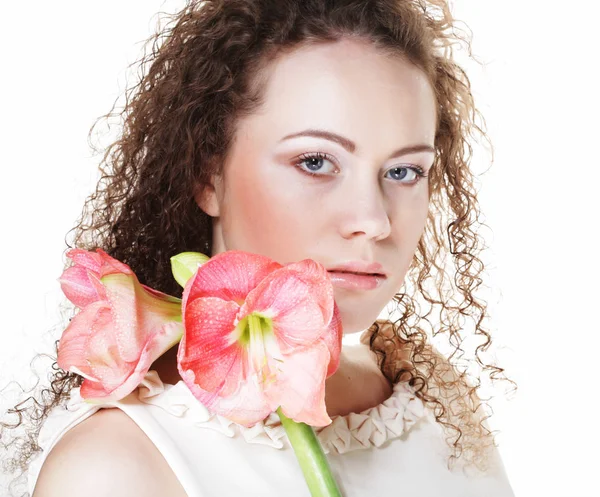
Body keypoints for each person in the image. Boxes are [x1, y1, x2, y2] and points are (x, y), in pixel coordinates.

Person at [1, 1, 517, 496]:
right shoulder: (114, 466)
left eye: (404, 172)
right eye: (316, 161)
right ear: (208, 173)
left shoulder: (431, 395)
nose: (373, 221)